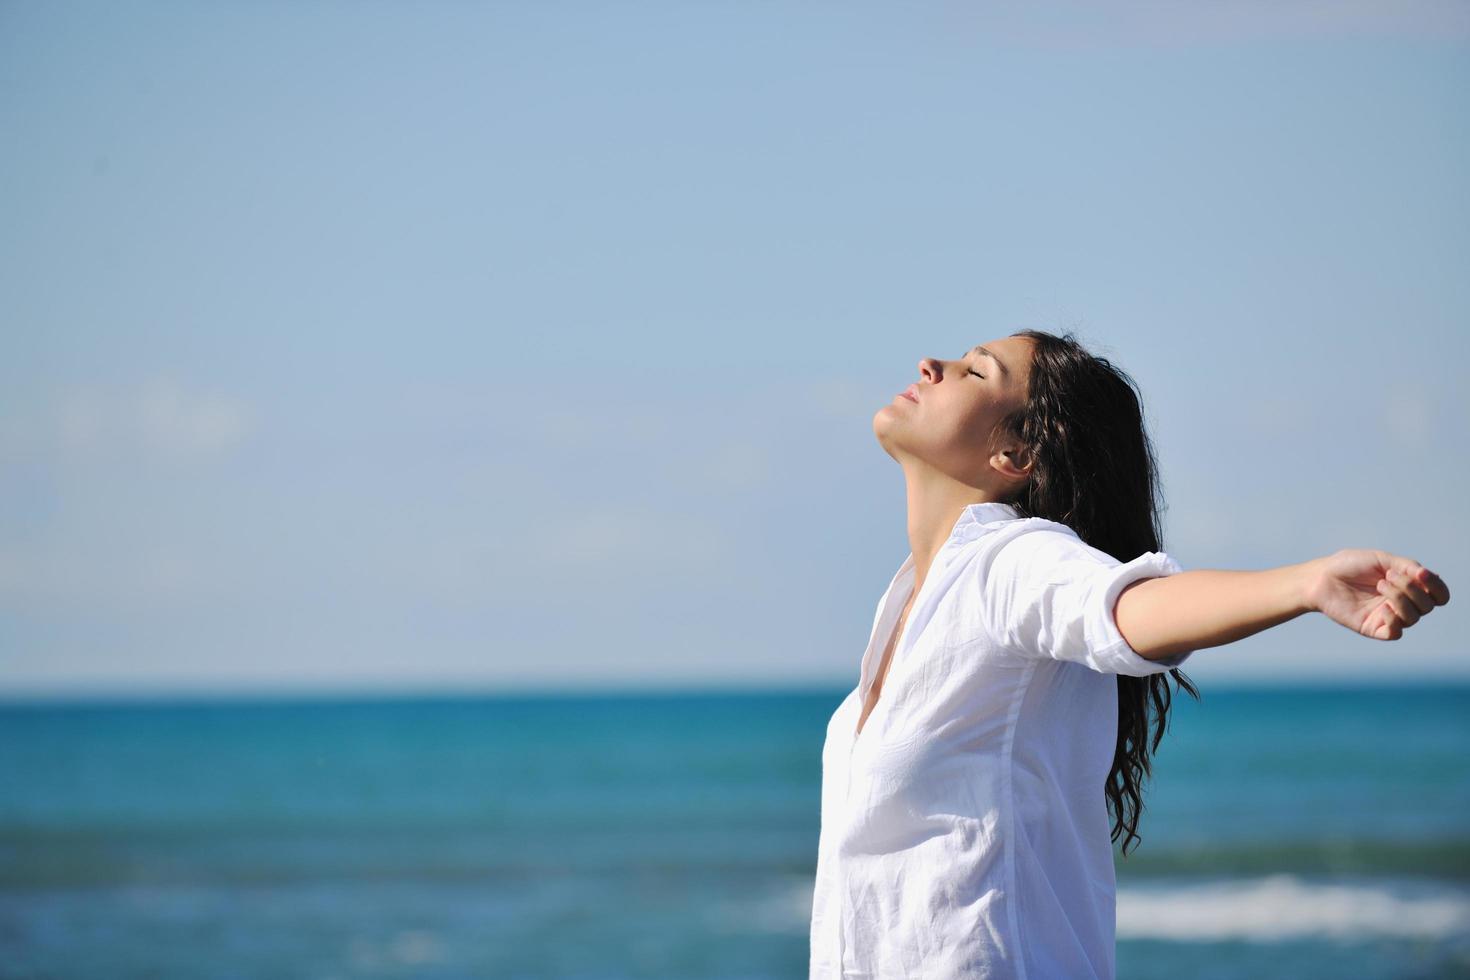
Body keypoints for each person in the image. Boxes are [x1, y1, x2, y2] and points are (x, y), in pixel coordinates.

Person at [807, 329, 1451, 979]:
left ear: (1015, 451)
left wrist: (1303, 585)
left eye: (976, 372)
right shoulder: (912, 596)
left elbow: (1127, 610)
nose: (932, 364)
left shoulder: (1009, 562)